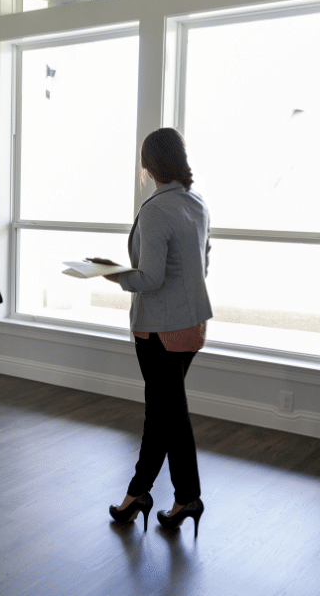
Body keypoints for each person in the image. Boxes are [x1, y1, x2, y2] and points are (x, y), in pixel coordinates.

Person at [103, 127, 212, 536]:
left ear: (148, 163)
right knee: (167, 413)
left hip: (160, 331)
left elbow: (148, 279)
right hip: (192, 326)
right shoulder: (196, 203)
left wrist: (113, 275)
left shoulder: (155, 210)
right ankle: (163, 496)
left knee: (165, 414)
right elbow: (203, 263)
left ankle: (158, 494)